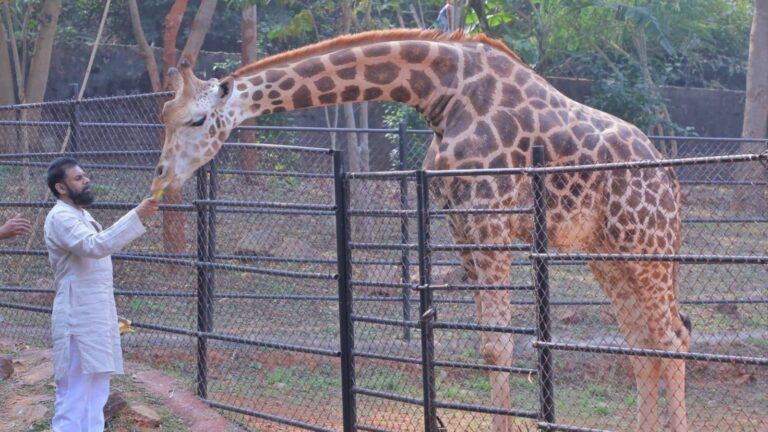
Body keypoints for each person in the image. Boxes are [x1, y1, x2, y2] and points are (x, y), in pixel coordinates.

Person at [43, 157, 159, 432]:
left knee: (96, 396)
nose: (86, 181)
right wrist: (137, 215)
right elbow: (95, 246)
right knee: (74, 396)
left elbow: (93, 272)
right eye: (78, 178)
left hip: (94, 317)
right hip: (77, 319)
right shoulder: (60, 217)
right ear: (61, 187)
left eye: (85, 176)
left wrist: (109, 313)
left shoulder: (81, 215)